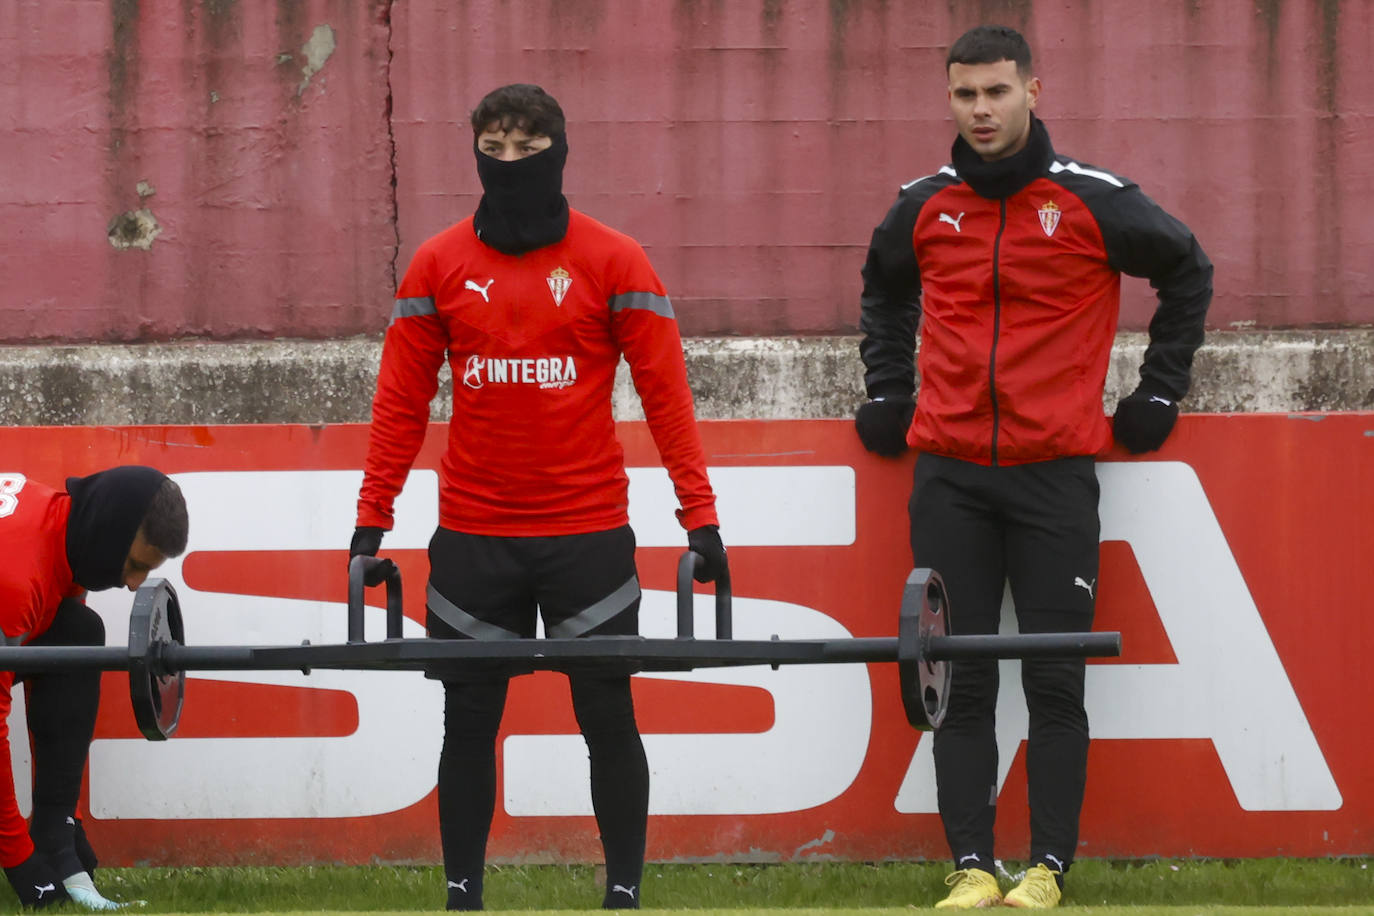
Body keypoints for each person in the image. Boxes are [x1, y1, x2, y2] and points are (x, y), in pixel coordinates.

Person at [854, 25, 1212, 910]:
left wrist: (1158, 393)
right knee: (957, 675)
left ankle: (1048, 870)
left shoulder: (1092, 199)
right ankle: (972, 866)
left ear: (1033, 91)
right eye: (965, 94)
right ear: (950, 97)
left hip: (1055, 474)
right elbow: (883, 288)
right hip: (948, 475)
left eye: (997, 92)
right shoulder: (924, 205)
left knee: (1056, 676)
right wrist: (888, 391)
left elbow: (1189, 270)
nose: (981, 110)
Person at [350, 83, 726, 912]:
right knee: (468, 724)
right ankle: (463, 900)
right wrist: (369, 521)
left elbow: (668, 397)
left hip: (587, 534)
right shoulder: (437, 264)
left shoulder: (616, 260)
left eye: (528, 146)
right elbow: (399, 407)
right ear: (474, 152)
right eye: (495, 147)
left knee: (607, 714)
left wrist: (700, 517)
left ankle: (623, 897)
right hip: (474, 538)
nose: (512, 161)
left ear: (560, 148)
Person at [0, 466, 189, 910]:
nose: (134, 584)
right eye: (135, 565)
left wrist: (64, 821)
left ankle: (54, 831)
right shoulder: (15, 578)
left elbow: (58, 688)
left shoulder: (63, 528)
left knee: (77, 632)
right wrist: (17, 859)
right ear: (110, 533)